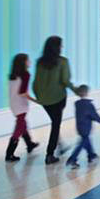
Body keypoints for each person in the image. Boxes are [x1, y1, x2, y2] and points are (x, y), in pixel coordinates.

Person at [33, 36, 79, 164]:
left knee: (54, 122)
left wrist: (39, 98)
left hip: (44, 100)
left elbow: (35, 83)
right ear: (57, 47)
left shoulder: (39, 62)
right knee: (55, 125)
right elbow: (65, 81)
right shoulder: (63, 61)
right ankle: (50, 154)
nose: (62, 47)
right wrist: (76, 90)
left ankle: (60, 145)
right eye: (61, 45)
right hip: (58, 98)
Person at [6, 53, 40, 162]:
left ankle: (30, 144)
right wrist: (36, 100)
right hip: (20, 103)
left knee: (22, 123)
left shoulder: (12, 75)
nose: (30, 62)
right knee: (19, 127)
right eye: (28, 60)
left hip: (13, 103)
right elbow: (22, 93)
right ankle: (9, 154)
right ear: (23, 63)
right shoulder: (25, 74)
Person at [66, 85, 100, 169]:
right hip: (86, 127)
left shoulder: (77, 104)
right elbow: (95, 116)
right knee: (83, 143)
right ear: (86, 93)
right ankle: (73, 158)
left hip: (79, 127)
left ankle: (91, 155)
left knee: (86, 140)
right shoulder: (88, 105)